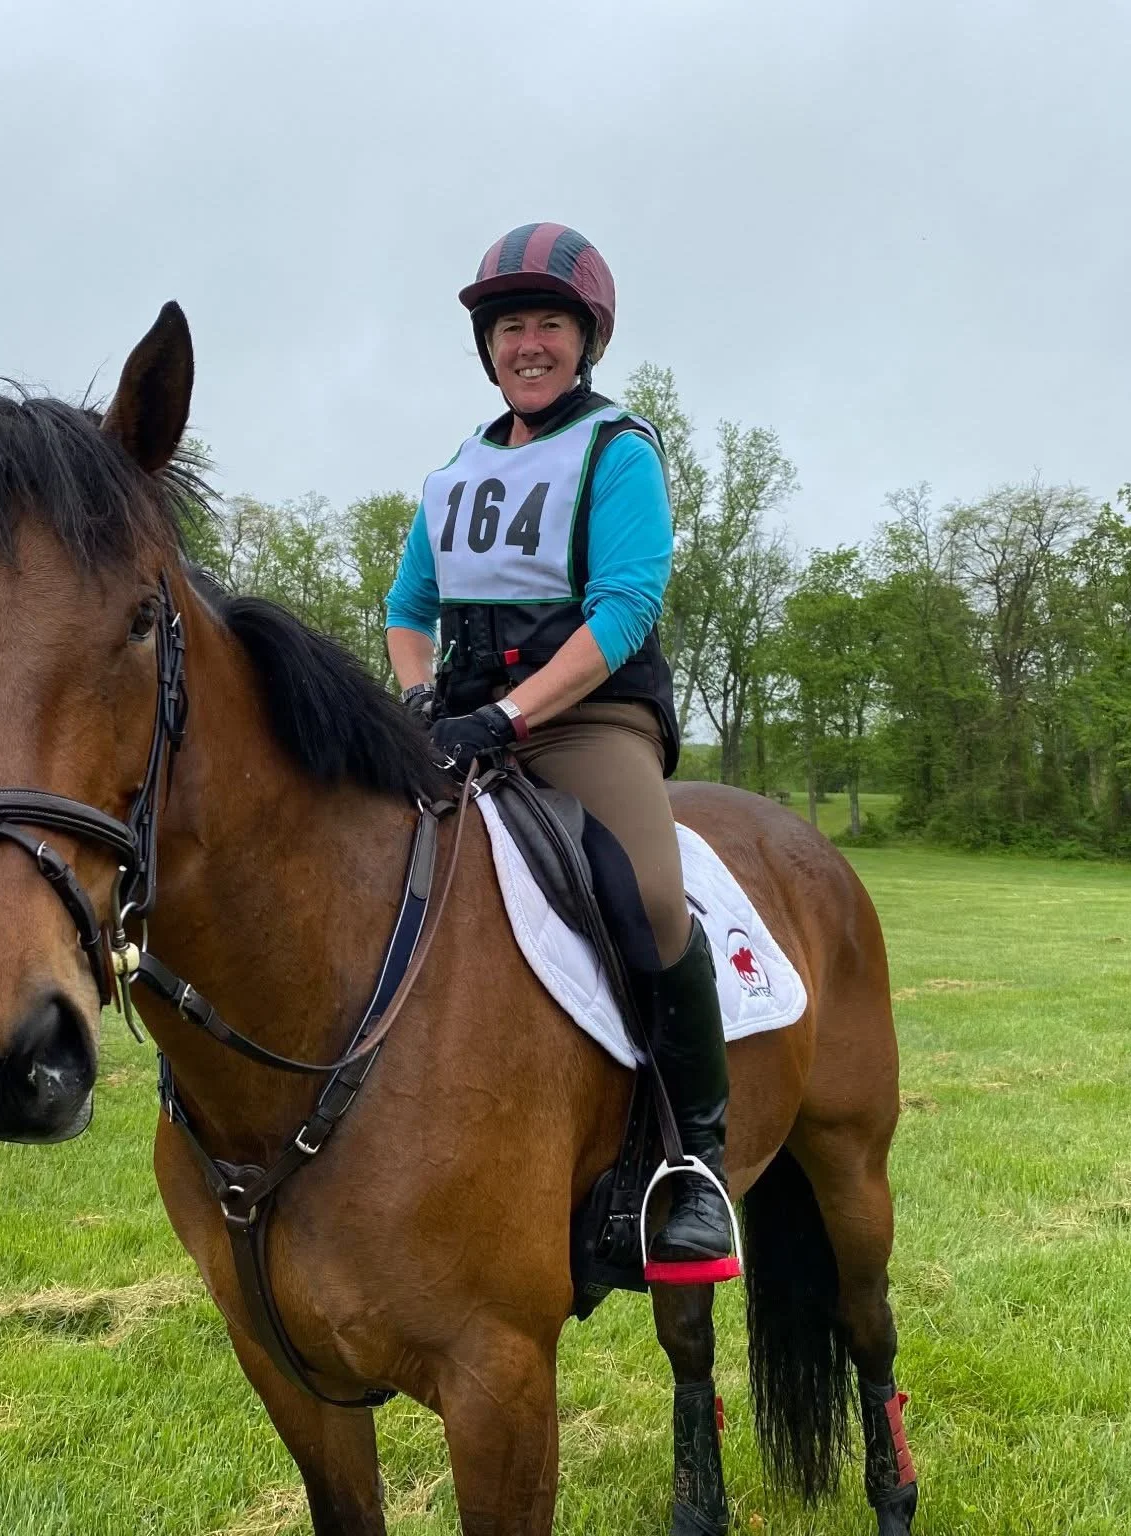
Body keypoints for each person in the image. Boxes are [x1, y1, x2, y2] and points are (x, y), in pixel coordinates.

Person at [384, 222, 734, 1268]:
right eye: (507, 328)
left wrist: (511, 715)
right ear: (485, 347)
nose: (525, 344)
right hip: (458, 725)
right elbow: (407, 609)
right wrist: (413, 701)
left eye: (546, 325)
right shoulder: (456, 471)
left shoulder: (618, 451)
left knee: (645, 896)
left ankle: (695, 1163)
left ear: (585, 340)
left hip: (585, 722)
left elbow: (623, 609)